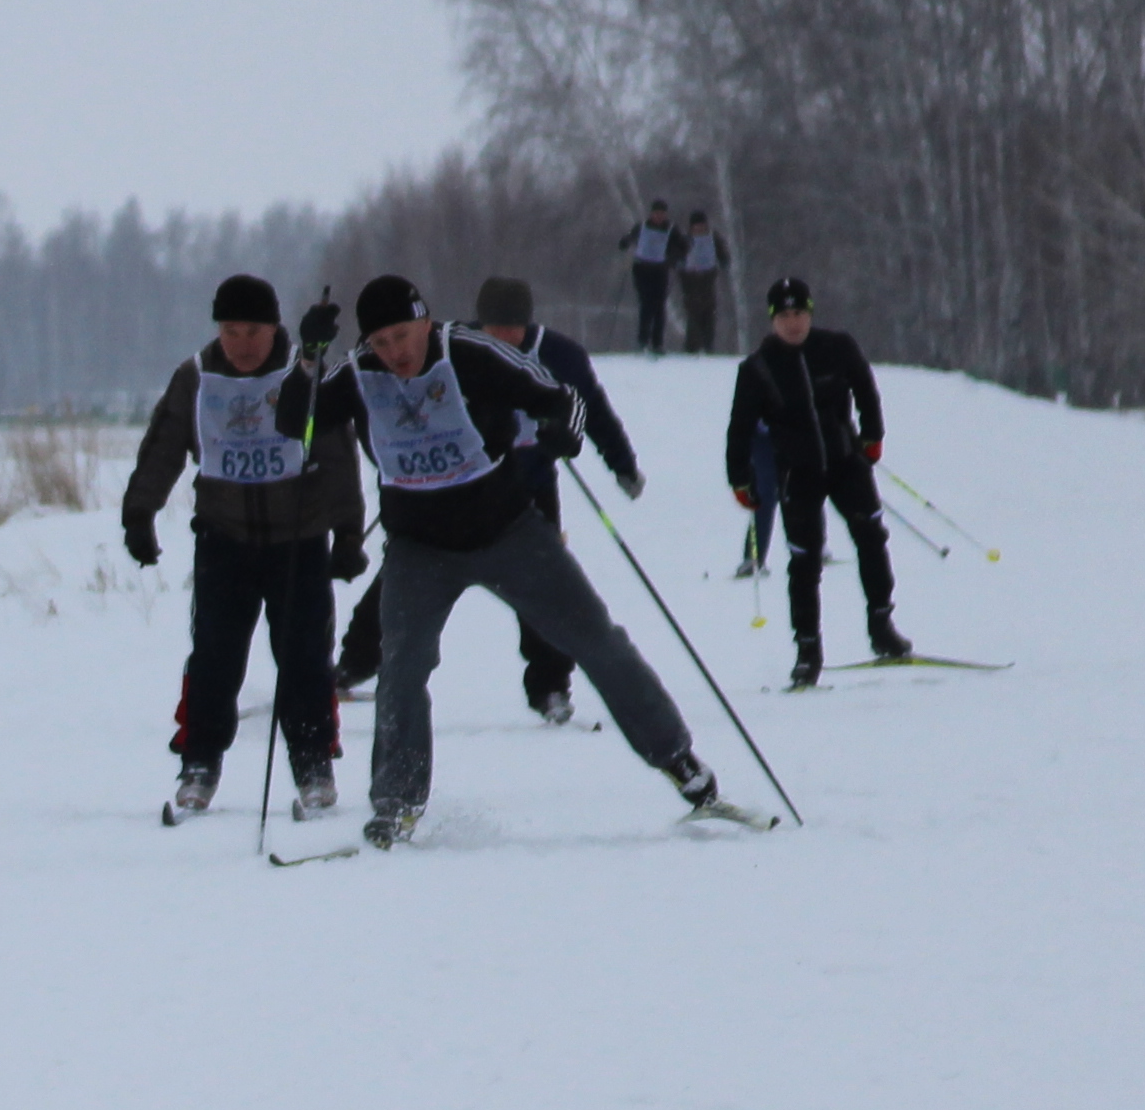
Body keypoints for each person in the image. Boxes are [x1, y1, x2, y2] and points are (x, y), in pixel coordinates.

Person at [312, 274, 744, 848]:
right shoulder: (357, 372)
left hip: (507, 531)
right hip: (419, 548)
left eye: (402, 335)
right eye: (381, 342)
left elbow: (563, 396)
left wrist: (562, 430)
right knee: (403, 668)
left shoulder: (468, 351)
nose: (395, 353)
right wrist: (310, 357)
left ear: (425, 320)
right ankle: (396, 804)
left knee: (596, 639)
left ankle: (679, 761)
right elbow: (297, 419)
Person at [119, 273, 363, 821]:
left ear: (273, 327)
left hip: (298, 541)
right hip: (223, 539)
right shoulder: (197, 376)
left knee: (303, 660)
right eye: (230, 330)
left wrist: (347, 532)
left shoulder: (303, 371)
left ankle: (313, 764)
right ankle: (199, 764)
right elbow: (164, 445)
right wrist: (140, 514)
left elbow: (338, 455)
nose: (242, 343)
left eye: (252, 330)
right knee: (214, 659)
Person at [459, 273, 640, 726]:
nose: (502, 338)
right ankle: (357, 662)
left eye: (511, 329)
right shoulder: (455, 349)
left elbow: (591, 409)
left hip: (532, 484)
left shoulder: (560, 355)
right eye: (493, 328)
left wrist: (621, 462)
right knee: (413, 574)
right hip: (461, 485)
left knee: (545, 587)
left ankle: (551, 685)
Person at [725, 276, 907, 687]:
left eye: (800, 314)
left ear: (811, 313)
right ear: (773, 320)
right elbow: (739, 427)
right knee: (804, 562)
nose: (793, 323)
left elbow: (866, 389)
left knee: (871, 537)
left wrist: (873, 436)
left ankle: (882, 626)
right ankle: (808, 650)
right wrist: (740, 479)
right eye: (785, 316)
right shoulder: (757, 368)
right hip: (797, 472)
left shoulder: (837, 347)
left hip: (846, 462)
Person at [625, 199, 681, 355]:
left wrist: (673, 258)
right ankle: (642, 341)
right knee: (646, 304)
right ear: (651, 213)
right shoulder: (642, 226)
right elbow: (629, 238)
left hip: (660, 270)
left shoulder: (671, 229)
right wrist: (625, 242)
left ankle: (657, 343)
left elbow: (682, 246)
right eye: (656, 213)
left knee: (659, 307)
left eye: (662, 214)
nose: (659, 216)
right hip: (642, 268)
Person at [675, 208, 731, 353]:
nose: (699, 228)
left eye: (702, 224)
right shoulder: (685, 239)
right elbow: (676, 258)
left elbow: (723, 254)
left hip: (708, 279)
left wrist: (724, 262)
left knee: (708, 313)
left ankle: (708, 344)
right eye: (696, 225)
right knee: (693, 314)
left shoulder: (713, 238)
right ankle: (692, 346)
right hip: (690, 281)